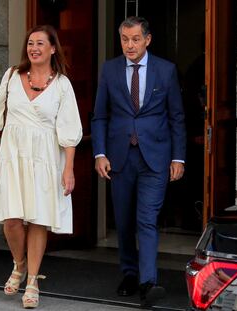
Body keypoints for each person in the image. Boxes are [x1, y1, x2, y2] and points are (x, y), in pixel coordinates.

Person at [91, 16, 186, 306]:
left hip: (155, 158)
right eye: (124, 39)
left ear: (147, 39)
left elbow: (176, 117)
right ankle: (129, 273)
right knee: (124, 221)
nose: (129, 45)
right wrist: (100, 153)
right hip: (119, 157)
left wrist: (178, 157)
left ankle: (148, 282)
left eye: (135, 39)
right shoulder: (109, 70)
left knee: (146, 220)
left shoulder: (165, 71)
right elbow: (100, 116)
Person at [0, 25, 82, 309]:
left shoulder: (62, 84)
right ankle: (20, 264)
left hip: (46, 158)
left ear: (53, 49)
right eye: (30, 43)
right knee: (12, 219)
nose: (34, 48)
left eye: (41, 43)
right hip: (13, 155)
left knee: (38, 218)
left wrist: (69, 169)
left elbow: (69, 130)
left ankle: (31, 282)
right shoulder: (12, 75)